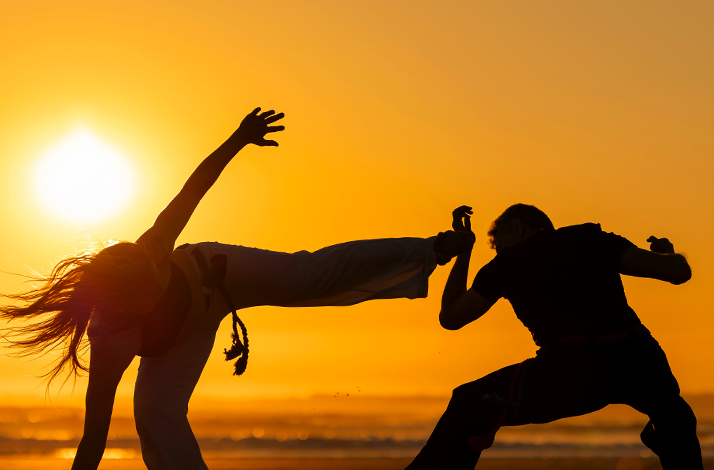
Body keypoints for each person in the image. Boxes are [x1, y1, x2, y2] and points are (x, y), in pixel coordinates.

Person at [0, 107, 451, 470]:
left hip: (217, 276)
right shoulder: (111, 341)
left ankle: (429, 250)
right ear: (125, 303)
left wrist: (239, 137)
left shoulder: (154, 247)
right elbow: (94, 434)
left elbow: (195, 187)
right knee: (155, 415)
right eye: (151, 291)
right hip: (181, 341)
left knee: (305, 277)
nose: (158, 279)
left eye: (157, 273)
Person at [410, 204, 700, 469]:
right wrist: (665, 253)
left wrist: (464, 254)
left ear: (518, 228)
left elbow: (450, 318)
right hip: (637, 357)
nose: (499, 253)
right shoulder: (596, 239)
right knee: (674, 415)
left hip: (570, 369)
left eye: (498, 246)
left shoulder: (508, 263)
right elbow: (678, 272)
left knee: (467, 403)